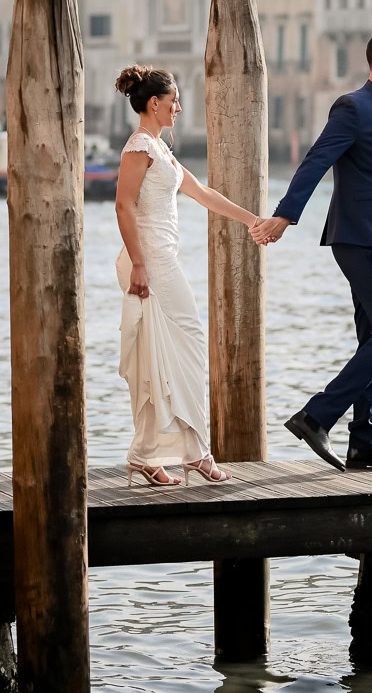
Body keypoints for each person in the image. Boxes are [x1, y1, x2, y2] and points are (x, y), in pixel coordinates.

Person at [250, 28, 372, 472]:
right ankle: (317, 416)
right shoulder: (354, 107)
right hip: (359, 237)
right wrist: (285, 215)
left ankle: (364, 440)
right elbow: (316, 160)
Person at [114, 65, 266, 486]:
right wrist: (139, 263)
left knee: (160, 357)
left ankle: (146, 454)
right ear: (154, 103)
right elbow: (123, 206)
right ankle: (196, 453)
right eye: (174, 100)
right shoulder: (139, 148)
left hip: (161, 258)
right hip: (152, 260)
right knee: (189, 344)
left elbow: (202, 193)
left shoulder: (161, 150)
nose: (179, 107)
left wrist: (252, 220)